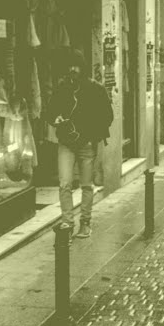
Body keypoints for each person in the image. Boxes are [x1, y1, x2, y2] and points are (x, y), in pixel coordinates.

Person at [44, 51, 113, 238]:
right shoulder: (62, 88)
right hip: (66, 143)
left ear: (83, 68)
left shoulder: (96, 89)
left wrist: (92, 137)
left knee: (86, 185)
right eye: (70, 66)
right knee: (65, 183)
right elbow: (50, 111)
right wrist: (56, 119)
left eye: (76, 66)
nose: (73, 70)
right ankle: (67, 222)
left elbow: (107, 116)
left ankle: (85, 222)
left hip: (87, 144)